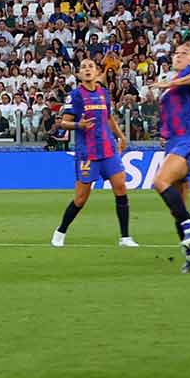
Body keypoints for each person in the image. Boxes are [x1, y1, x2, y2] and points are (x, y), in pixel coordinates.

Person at [50, 58, 137, 248]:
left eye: (91, 66)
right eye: (83, 67)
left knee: (121, 187)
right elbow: (63, 122)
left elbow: (108, 118)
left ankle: (125, 237)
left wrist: (121, 136)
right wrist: (78, 125)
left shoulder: (103, 93)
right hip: (87, 152)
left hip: (108, 149)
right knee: (81, 198)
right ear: (79, 74)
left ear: (97, 72)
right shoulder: (75, 96)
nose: (87, 69)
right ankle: (60, 231)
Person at [148, 44, 190, 273]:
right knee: (178, 207)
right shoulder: (174, 82)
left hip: (188, 140)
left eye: (184, 53)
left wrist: (170, 83)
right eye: (176, 53)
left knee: (159, 182)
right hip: (176, 143)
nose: (178, 55)